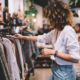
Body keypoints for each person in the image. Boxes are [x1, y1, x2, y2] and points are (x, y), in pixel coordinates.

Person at [14, 1, 80, 80]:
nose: (49, 20)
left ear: (56, 17)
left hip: (65, 71)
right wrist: (23, 37)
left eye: (50, 18)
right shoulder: (57, 30)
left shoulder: (68, 31)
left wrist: (53, 52)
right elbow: (41, 38)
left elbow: (75, 58)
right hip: (56, 68)